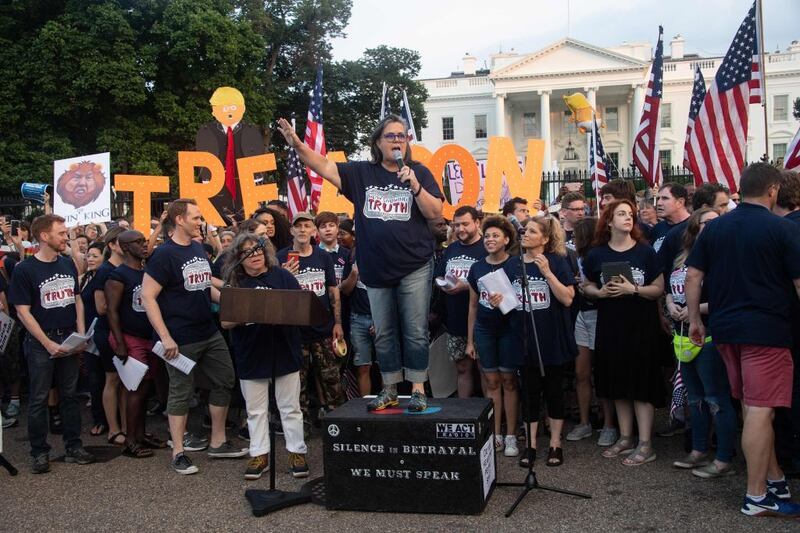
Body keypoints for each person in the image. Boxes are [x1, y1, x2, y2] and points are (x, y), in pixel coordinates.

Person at [277, 114, 443, 412]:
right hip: (376, 267)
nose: (396, 141)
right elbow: (324, 166)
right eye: (390, 136)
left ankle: (417, 388)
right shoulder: (361, 173)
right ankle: (390, 388)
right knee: (385, 331)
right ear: (378, 143)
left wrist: (416, 186)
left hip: (415, 265)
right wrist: (298, 146)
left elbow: (435, 213)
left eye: (401, 136)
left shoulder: (418, 172)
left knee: (415, 329)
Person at [686, 163, 800, 518]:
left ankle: (775, 479)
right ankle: (756, 495)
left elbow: (692, 276)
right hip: (766, 332)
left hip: (725, 329)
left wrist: (693, 320)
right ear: (773, 191)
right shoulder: (782, 229)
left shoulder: (715, 229)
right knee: (760, 409)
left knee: (753, 407)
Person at [141, 199, 246, 476]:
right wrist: (165, 338)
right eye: (196, 217)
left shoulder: (198, 247)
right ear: (179, 219)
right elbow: (148, 297)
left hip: (208, 332)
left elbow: (203, 285)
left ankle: (218, 441)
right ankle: (179, 452)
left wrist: (233, 300)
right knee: (181, 392)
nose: (201, 222)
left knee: (225, 379)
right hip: (179, 337)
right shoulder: (164, 255)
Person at [8, 214, 95, 473]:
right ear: (44, 236)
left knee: (69, 396)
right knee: (39, 397)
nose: (65, 237)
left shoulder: (68, 264)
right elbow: (23, 311)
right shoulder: (25, 270)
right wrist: (46, 343)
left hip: (68, 336)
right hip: (41, 342)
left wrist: (80, 333)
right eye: (60, 233)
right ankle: (39, 451)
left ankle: (73, 446)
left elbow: (77, 299)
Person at [583, 200, 666, 466]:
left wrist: (634, 290)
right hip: (611, 325)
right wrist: (600, 292)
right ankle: (626, 437)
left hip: (641, 326)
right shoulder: (597, 254)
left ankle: (645, 443)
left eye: (630, 214)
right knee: (617, 384)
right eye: (621, 214)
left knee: (642, 385)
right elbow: (586, 285)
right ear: (608, 221)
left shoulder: (645, 252)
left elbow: (658, 288)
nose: (628, 218)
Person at [222, 233, 309, 480]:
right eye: (249, 252)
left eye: (259, 250)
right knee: (256, 410)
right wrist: (252, 310)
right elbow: (226, 322)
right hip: (251, 352)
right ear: (239, 258)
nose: (256, 255)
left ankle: (296, 451)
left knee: (290, 407)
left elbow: (301, 308)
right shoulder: (234, 282)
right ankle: (259, 453)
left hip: (283, 350)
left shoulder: (282, 276)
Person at [666, 208, 738, 479]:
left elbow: (729, 295)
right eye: (707, 222)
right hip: (682, 336)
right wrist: (671, 304)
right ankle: (698, 450)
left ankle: (723, 458)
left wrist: (697, 309)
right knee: (694, 397)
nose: (713, 226)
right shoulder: (681, 258)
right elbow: (669, 290)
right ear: (695, 227)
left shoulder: (723, 259)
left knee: (716, 397)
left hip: (709, 335)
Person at [505, 217, 577, 467]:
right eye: (524, 230)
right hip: (523, 340)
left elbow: (568, 298)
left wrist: (547, 273)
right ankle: (532, 445)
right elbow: (507, 302)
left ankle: (556, 443)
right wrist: (497, 300)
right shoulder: (513, 265)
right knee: (529, 393)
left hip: (551, 338)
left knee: (554, 392)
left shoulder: (557, 261)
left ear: (545, 239)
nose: (525, 234)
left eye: (532, 231)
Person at [277, 212, 345, 427]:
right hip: (295, 332)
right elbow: (273, 294)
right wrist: (282, 274)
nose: (303, 230)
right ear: (291, 231)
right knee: (298, 384)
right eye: (299, 226)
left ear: (313, 231)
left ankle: (339, 427)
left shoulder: (323, 257)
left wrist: (338, 323)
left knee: (331, 380)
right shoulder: (281, 257)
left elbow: (333, 291)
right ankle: (300, 429)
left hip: (323, 329)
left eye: (307, 226)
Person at [106, 230, 166, 459]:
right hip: (129, 338)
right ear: (125, 247)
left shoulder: (148, 271)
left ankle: (140, 434)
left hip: (148, 336)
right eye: (138, 242)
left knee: (146, 388)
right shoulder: (118, 275)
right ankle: (130, 440)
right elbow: (110, 311)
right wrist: (120, 343)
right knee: (136, 389)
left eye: (144, 241)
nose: (144, 245)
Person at [465, 216, 519, 456]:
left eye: (496, 235)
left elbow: (522, 301)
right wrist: (469, 341)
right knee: (492, 382)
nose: (490, 239)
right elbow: (473, 306)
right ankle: (495, 433)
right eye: (487, 236)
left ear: (507, 239)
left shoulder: (517, 264)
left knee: (509, 381)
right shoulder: (477, 267)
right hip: (485, 329)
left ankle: (511, 436)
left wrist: (505, 300)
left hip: (509, 328)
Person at [566, 217, 619, 447]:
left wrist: (590, 287)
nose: (573, 240)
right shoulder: (575, 258)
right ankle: (585, 422)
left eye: (577, 236)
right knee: (581, 372)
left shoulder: (601, 255)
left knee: (605, 371)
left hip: (601, 315)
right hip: (582, 316)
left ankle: (608, 424)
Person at [436, 206, 487, 398]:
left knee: (485, 370)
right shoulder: (452, 249)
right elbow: (438, 275)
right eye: (456, 225)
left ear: (477, 223)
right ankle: (464, 414)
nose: (460, 229)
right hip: (456, 320)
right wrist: (443, 285)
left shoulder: (486, 248)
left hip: (482, 321)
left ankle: (489, 416)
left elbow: (493, 281)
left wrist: (465, 286)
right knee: (462, 368)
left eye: (465, 224)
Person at [90, 226, 127, 446]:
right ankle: (113, 428)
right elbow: (101, 307)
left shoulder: (131, 267)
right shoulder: (105, 271)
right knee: (112, 379)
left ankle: (125, 425)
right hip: (108, 333)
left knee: (125, 381)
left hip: (124, 332)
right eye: (123, 242)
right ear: (112, 245)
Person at [339, 227, 375, 396]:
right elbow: (345, 290)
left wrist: (383, 319)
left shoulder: (387, 255)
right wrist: (354, 274)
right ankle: (364, 408)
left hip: (382, 319)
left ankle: (391, 408)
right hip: (358, 318)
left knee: (388, 369)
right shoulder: (353, 256)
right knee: (363, 367)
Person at [79, 242, 108, 438]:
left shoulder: (107, 277)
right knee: (95, 379)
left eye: (95, 256)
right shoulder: (83, 279)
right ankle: (99, 418)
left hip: (104, 333)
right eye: (88, 255)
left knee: (109, 378)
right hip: (88, 336)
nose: (90, 258)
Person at [650, 183, 690, 252]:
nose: (659, 203)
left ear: (680, 202)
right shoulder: (657, 229)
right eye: (658, 198)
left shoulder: (694, 226)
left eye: (665, 198)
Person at [315, 211, 350, 285]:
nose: (328, 229)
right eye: (323, 227)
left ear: (337, 229)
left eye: (331, 225)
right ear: (317, 231)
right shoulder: (312, 254)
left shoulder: (348, 254)